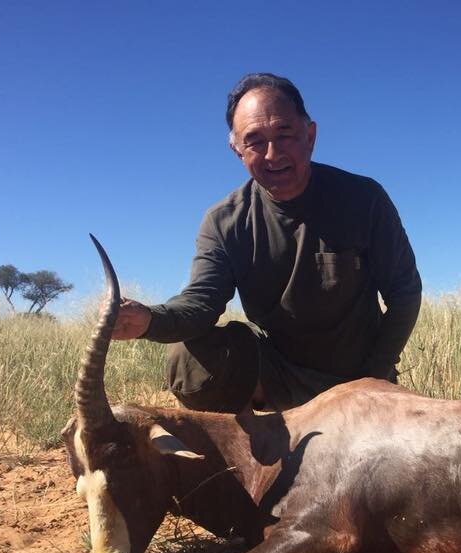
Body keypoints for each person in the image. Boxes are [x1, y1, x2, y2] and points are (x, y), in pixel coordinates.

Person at [112, 73, 422, 412]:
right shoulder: (223, 221)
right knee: (189, 358)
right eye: (255, 141)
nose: (272, 154)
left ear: (310, 135)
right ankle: (257, 435)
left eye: (284, 134)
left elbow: (404, 293)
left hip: (361, 380)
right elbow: (201, 302)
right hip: (279, 377)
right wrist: (149, 320)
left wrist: (375, 377)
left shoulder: (364, 198)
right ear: (237, 150)